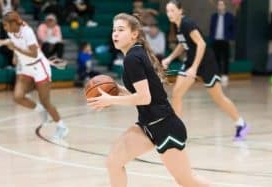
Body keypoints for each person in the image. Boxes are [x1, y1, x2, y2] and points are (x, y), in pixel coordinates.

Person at [87, 13, 211, 187]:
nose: (115, 34)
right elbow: (143, 93)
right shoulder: (134, 54)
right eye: (114, 30)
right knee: (113, 162)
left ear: (134, 34)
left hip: (166, 126)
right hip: (148, 125)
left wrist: (111, 99)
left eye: (121, 30)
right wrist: (117, 90)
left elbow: (144, 98)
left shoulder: (132, 58)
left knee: (187, 180)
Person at [162, 0, 249, 140]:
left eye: (172, 10)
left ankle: (241, 123)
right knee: (177, 94)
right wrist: (169, 58)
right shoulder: (178, 26)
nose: (169, 14)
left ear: (180, 10)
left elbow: (201, 44)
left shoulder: (187, 23)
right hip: (191, 61)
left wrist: (195, 68)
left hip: (206, 63)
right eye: (167, 11)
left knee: (218, 98)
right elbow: (182, 43)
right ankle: (177, 131)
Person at [0, 11, 68, 139]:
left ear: (13, 23)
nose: (5, 28)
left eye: (6, 25)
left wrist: (15, 49)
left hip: (39, 67)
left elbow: (34, 53)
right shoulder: (10, 31)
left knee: (45, 101)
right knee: (18, 97)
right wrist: (15, 55)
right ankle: (40, 110)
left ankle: (61, 126)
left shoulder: (27, 32)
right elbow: (15, 44)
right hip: (26, 68)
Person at [209, 0, 235, 86]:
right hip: (216, 41)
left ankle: (225, 75)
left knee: (226, 58)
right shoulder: (214, 16)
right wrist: (211, 38)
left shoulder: (230, 16)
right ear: (217, 6)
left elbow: (233, 29)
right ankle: (217, 75)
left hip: (225, 41)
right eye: (219, 5)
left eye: (222, 5)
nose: (220, 6)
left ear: (225, 6)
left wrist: (230, 38)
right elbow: (211, 29)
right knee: (216, 59)